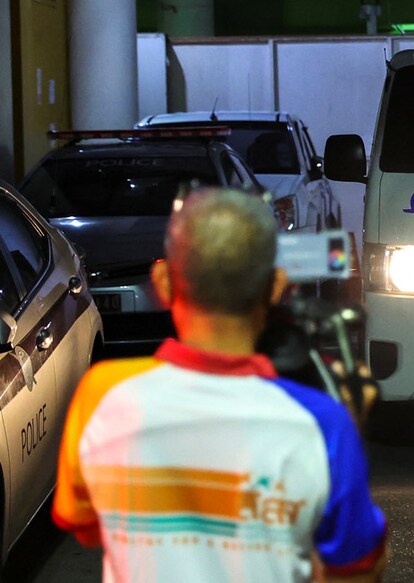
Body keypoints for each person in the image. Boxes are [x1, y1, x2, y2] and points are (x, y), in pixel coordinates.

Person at [53, 188, 389, 582]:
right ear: (277, 285)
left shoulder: (102, 397)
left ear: (163, 282)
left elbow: (84, 522)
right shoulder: (322, 425)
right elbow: (356, 567)